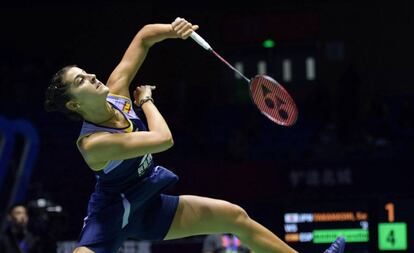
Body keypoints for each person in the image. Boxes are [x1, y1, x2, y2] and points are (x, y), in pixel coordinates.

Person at [44, 17, 346, 253]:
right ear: (74, 103)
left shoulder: (118, 91)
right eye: (82, 80)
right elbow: (164, 139)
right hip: (110, 216)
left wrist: (174, 30)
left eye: (87, 72)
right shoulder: (93, 144)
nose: (93, 76)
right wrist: (147, 100)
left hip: (149, 206)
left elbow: (145, 36)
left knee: (235, 216)